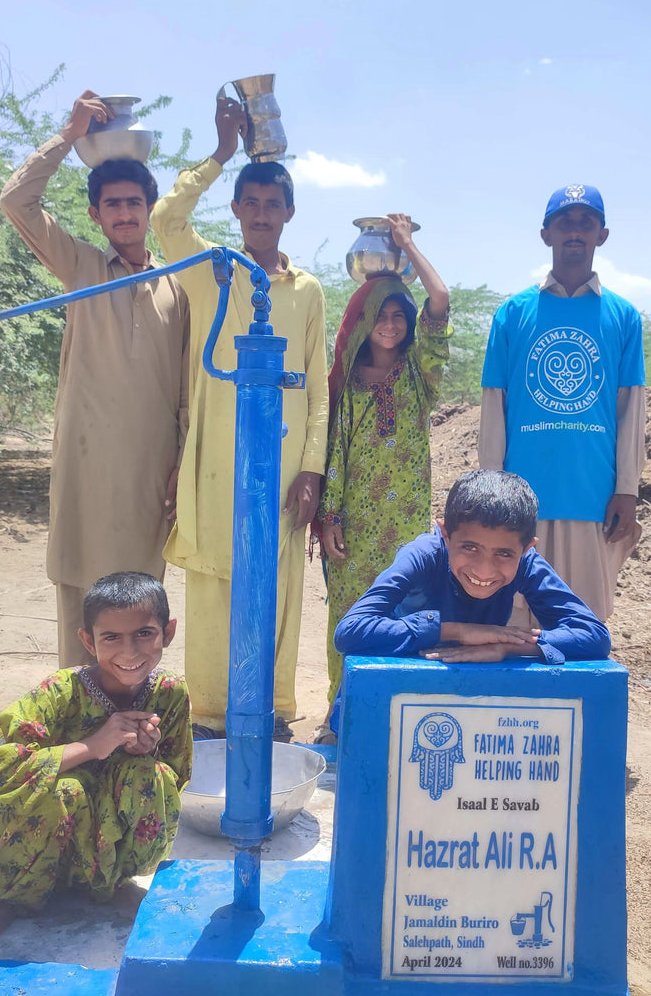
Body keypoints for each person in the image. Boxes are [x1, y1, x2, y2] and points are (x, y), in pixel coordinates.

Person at [151, 97, 328, 739]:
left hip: (280, 468)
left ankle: (274, 711)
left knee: (277, 588)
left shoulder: (306, 290)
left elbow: (316, 389)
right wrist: (220, 154)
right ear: (235, 210)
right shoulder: (213, 272)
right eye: (249, 203)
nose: (260, 214)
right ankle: (209, 716)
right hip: (214, 461)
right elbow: (167, 218)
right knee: (213, 589)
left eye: (271, 204)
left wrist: (310, 469)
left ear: (287, 213)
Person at [0, 91, 190, 667]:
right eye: (114, 206)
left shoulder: (178, 286)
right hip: (85, 470)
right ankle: (76, 717)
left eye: (135, 202)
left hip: (146, 477)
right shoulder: (80, 266)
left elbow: (186, 393)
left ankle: (129, 719)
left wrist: (181, 463)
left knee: (136, 601)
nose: (125, 214)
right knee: (81, 597)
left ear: (150, 209)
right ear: (97, 216)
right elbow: (17, 201)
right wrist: (69, 133)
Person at [0, 571, 192, 948]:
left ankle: (109, 884)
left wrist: (146, 752)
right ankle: (8, 897)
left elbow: (177, 774)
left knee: (149, 775)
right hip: (44, 834)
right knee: (65, 790)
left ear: (167, 633)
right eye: (111, 637)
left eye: (144, 633)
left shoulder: (169, 693)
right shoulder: (61, 692)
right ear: (88, 640)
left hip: (110, 839)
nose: (130, 652)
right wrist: (93, 745)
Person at [479, 185, 646, 625]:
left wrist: (627, 489)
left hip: (592, 497)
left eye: (585, 222)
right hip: (520, 501)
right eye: (564, 222)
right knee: (514, 624)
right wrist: (490, 490)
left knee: (583, 626)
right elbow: (495, 407)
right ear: (545, 234)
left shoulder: (623, 316)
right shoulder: (512, 314)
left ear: (602, 235)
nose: (575, 231)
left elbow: (631, 409)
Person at [318, 218, 451, 724]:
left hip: (406, 527)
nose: (391, 323)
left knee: (403, 617)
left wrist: (408, 245)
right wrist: (329, 517)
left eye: (401, 314)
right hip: (355, 525)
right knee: (351, 619)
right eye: (382, 313)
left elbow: (438, 298)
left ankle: (393, 714)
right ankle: (342, 717)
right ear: (365, 318)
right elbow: (336, 454)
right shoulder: (349, 383)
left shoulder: (420, 374)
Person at [335, 469, 610, 666]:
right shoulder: (422, 555)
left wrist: (504, 647)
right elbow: (351, 631)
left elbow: (594, 636)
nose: (484, 570)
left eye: (503, 553)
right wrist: (459, 632)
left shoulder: (526, 563)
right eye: (470, 548)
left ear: (526, 548)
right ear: (445, 534)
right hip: (399, 680)